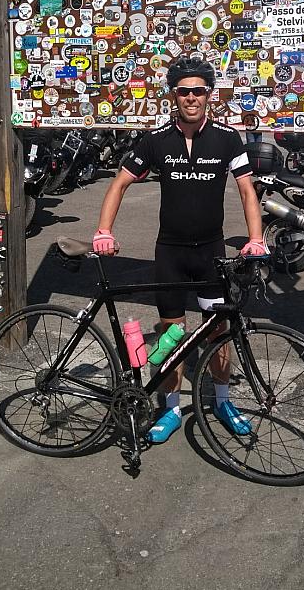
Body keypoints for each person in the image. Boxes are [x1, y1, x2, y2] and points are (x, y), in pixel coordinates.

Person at [93, 56, 267, 444]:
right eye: (184, 91)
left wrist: (256, 239)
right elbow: (119, 183)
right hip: (170, 251)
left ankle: (223, 401)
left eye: (198, 91)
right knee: (172, 332)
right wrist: (104, 230)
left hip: (211, 252)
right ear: (174, 95)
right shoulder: (157, 139)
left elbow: (245, 190)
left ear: (209, 95)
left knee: (218, 329)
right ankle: (170, 407)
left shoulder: (226, 138)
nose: (191, 98)